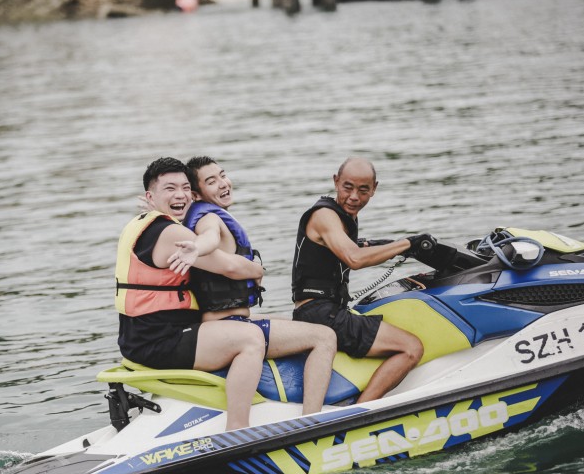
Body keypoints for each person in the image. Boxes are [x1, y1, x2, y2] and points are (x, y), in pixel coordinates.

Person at [116, 157, 268, 431]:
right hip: (162, 341)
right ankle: (238, 430)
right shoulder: (172, 233)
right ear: (151, 196)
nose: (180, 195)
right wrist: (259, 270)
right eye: (170, 189)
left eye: (185, 188)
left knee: (260, 322)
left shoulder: (144, 223)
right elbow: (231, 267)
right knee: (251, 339)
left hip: (140, 338)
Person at [182, 156, 337, 416]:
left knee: (297, 321)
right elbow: (208, 238)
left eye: (222, 175)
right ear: (197, 195)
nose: (223, 184)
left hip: (229, 321)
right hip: (228, 325)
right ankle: (311, 419)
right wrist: (198, 247)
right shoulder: (207, 218)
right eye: (212, 181)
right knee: (325, 337)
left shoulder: (199, 215)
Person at [292, 156, 431, 403]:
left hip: (329, 310)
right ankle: (362, 412)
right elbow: (355, 259)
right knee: (412, 347)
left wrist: (390, 245)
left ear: (374, 189)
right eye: (348, 187)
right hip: (319, 314)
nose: (354, 196)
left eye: (363, 190)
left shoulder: (346, 217)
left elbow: (352, 248)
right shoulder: (325, 215)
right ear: (336, 182)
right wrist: (407, 243)